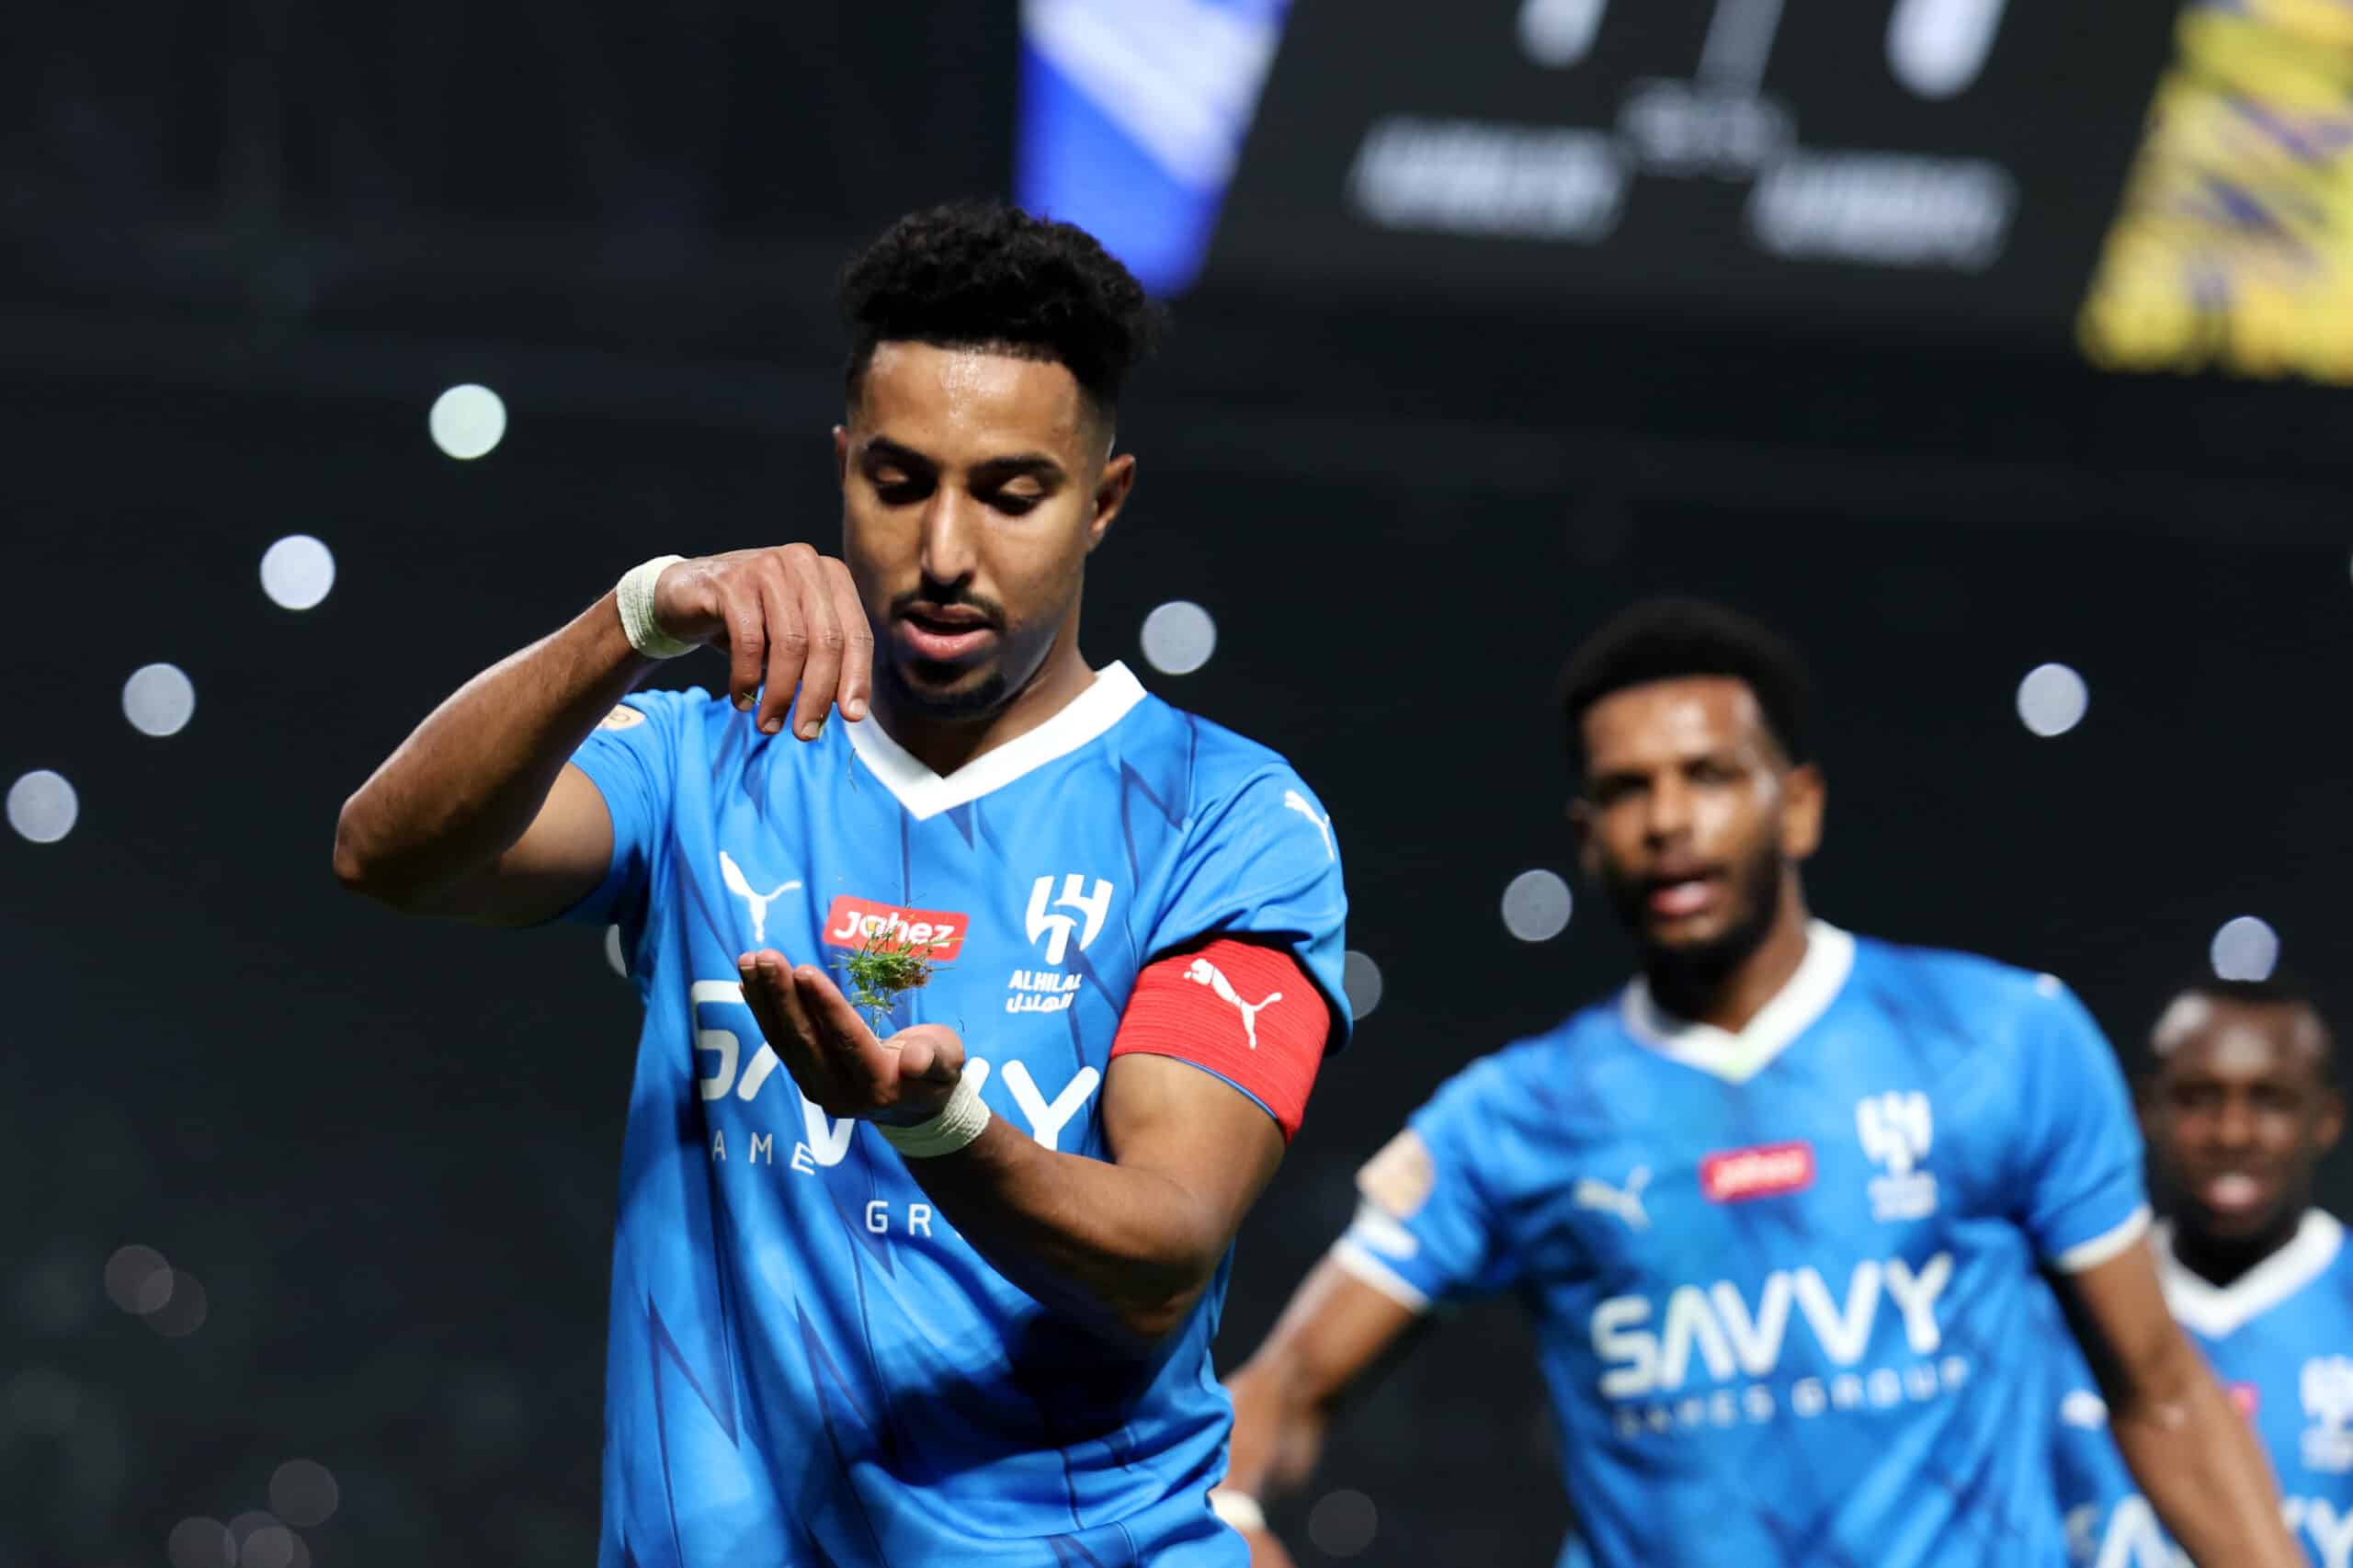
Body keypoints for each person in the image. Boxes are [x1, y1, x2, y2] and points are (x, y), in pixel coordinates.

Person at [333, 202, 1349, 1567]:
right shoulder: (705, 760)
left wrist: (938, 1127)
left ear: (1102, 501)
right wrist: (634, 617)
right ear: (841, 469)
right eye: (899, 480)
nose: (946, 550)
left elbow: (1162, 1254)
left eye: (1011, 494)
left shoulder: (1225, 816)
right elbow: (388, 852)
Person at [1213, 598, 2299, 1567]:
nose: (1667, 819)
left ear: (1799, 804)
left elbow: (2159, 1390)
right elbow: (1285, 1385)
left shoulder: (2003, 1038)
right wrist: (1225, 1509)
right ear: (1587, 840)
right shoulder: (1515, 1114)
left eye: (1710, 775)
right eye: (1627, 790)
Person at [2054, 977, 2353, 1566]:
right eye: (2197, 1098)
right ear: (2144, 1110)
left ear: (2326, 1119)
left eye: (2272, 1100)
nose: (2232, 1133)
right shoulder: (2059, 1312)